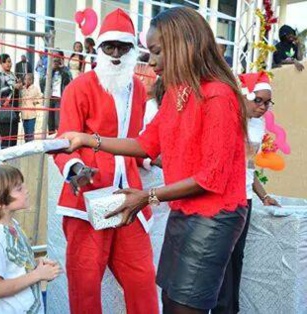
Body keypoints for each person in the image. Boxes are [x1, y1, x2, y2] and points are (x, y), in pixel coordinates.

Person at [60, 7, 248, 314]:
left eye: (157, 52)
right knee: (172, 302)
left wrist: (147, 197)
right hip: (179, 210)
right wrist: (89, 140)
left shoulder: (218, 96)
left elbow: (210, 178)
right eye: (148, 52)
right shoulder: (177, 93)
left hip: (213, 218)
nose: (152, 62)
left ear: (182, 45)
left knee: (184, 307)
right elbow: (145, 144)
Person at [53, 9, 158, 314]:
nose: (115, 54)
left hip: (129, 196)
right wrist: (75, 170)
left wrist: (151, 160)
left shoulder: (139, 88)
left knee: (142, 277)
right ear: (98, 49)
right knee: (85, 282)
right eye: (109, 47)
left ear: (131, 50)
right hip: (89, 196)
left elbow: (138, 138)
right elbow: (64, 140)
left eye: (122, 47)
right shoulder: (79, 87)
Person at [214, 72, 280, 314]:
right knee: (222, 259)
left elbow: (248, 168)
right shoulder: (227, 121)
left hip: (245, 199)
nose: (262, 107)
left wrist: (263, 196)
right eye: (258, 101)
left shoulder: (257, 126)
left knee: (237, 258)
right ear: (243, 97)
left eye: (267, 102)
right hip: (223, 199)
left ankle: (232, 309)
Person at [0, 165, 61, 314]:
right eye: (19, 189)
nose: (26, 190)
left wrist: (37, 266)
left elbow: (14, 268)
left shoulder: (13, 225)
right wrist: (37, 275)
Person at [0, 54, 22, 148]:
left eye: (10, 61)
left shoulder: (13, 75)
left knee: (13, 136)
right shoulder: (0, 76)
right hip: (5, 110)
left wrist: (19, 85)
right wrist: (13, 87)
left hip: (14, 109)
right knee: (5, 136)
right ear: (1, 63)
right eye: (6, 62)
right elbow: (0, 90)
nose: (9, 64)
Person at [44, 50, 71, 134]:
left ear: (61, 58)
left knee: (58, 122)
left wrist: (61, 68)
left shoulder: (65, 70)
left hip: (60, 99)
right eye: (54, 57)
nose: (55, 59)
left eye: (57, 57)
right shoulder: (49, 69)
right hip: (50, 98)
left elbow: (69, 81)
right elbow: (42, 82)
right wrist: (51, 70)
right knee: (50, 123)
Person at [20, 73, 42, 142]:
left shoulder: (35, 89)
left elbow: (41, 98)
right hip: (23, 114)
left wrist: (35, 103)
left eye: (29, 79)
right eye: (25, 79)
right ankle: (26, 147)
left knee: (30, 133)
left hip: (31, 115)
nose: (27, 81)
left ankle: (30, 146)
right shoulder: (22, 89)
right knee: (26, 133)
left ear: (32, 80)